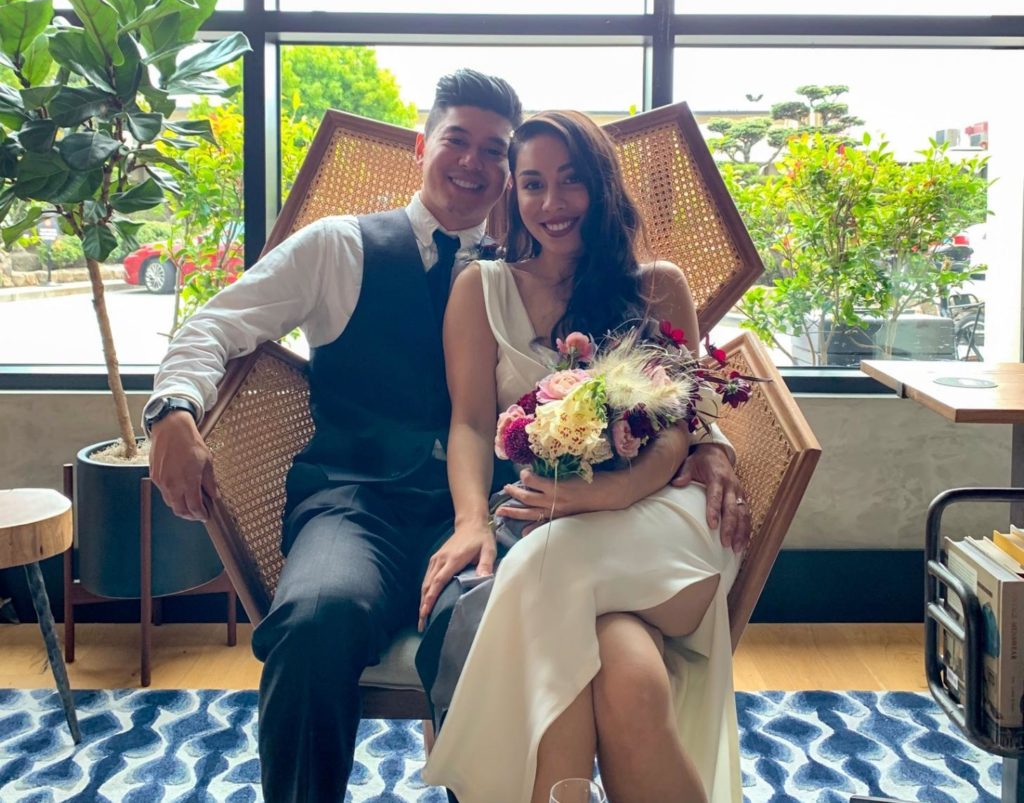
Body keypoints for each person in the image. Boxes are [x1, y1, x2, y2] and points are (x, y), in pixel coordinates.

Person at [143, 70, 523, 802]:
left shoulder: (520, 271)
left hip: (482, 509)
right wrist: (173, 411)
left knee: (483, 627)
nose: (474, 163)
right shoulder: (337, 247)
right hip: (355, 505)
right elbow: (214, 324)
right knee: (316, 619)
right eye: (458, 141)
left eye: (495, 151)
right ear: (422, 145)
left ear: (508, 173)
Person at [417, 110, 748, 803]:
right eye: (532, 184)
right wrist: (472, 518)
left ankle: (474, 777)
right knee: (626, 671)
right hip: (554, 524)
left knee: (545, 559)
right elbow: (472, 423)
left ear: (602, 187)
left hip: (660, 528)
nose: (551, 204)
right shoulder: (479, 289)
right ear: (513, 193)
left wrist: (607, 495)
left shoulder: (659, 285)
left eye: (571, 182)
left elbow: (681, 428)